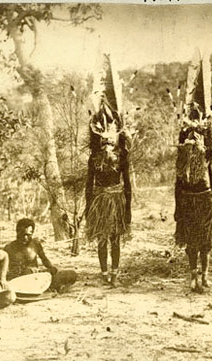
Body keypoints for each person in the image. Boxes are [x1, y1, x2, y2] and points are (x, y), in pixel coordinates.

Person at [174, 49, 212, 293]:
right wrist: (177, 207)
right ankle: (193, 276)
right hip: (188, 198)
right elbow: (178, 177)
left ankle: (205, 274)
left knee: (206, 240)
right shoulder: (183, 142)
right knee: (191, 241)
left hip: (204, 197)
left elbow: (211, 165)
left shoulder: (206, 140)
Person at [85, 54, 132, 287]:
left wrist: (128, 210)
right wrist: (87, 208)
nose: (107, 141)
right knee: (102, 238)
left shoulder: (122, 157)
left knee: (115, 238)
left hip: (117, 200)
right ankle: (104, 273)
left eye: (111, 137)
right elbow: (88, 185)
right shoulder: (93, 158)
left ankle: (115, 270)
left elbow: (129, 185)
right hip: (100, 201)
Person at [4, 218, 77, 292]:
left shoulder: (35, 244)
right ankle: (51, 288)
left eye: (28, 235)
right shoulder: (9, 248)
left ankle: (49, 287)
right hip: (19, 281)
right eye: (22, 234)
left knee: (71, 274)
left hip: (38, 278)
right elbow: (4, 272)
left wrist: (51, 268)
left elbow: (44, 259)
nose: (25, 238)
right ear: (17, 232)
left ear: (32, 233)